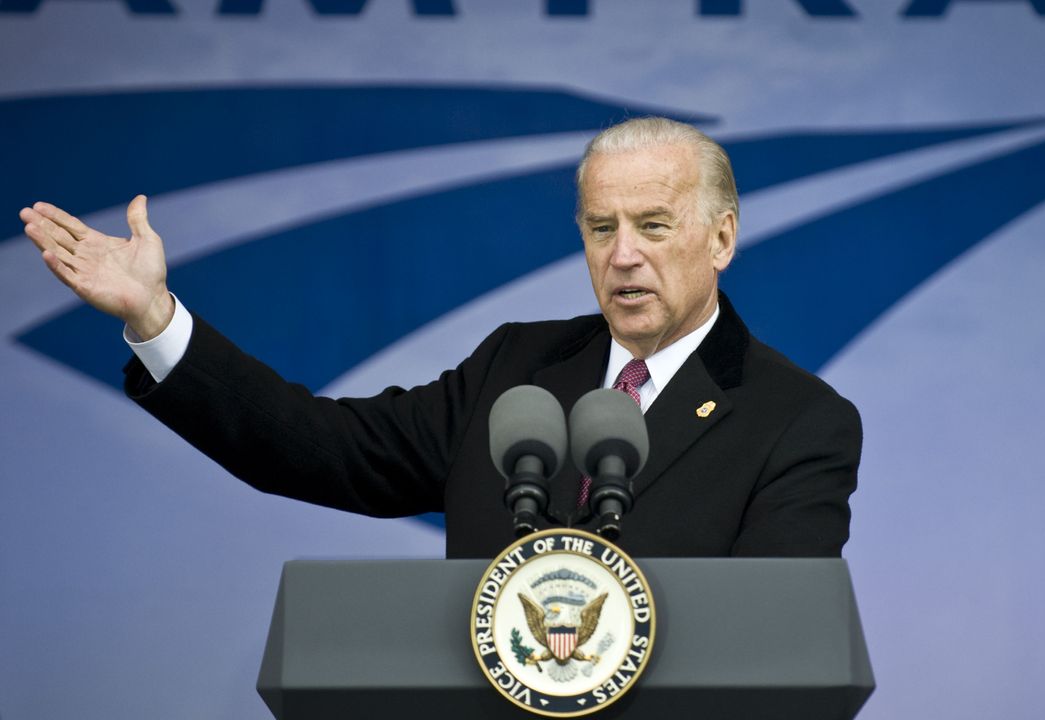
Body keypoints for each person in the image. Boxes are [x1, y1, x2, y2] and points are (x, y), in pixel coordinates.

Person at [19, 117, 862, 559]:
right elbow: (319, 448)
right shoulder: (518, 369)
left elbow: (776, 645)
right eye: (600, 227)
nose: (623, 254)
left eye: (652, 224)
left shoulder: (795, 419)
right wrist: (156, 321)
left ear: (720, 238)